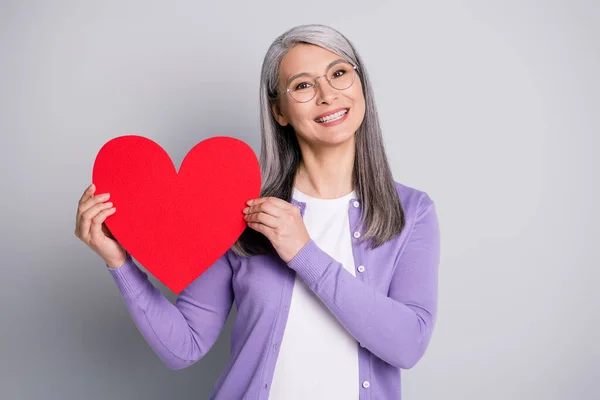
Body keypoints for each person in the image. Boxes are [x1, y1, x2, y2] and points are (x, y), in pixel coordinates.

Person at [74, 24, 440, 400]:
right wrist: (119, 264)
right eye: (303, 85)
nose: (328, 95)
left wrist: (304, 254)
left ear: (360, 84)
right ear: (279, 111)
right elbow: (184, 346)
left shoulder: (411, 212)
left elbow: (407, 345)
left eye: (339, 73)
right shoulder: (240, 210)